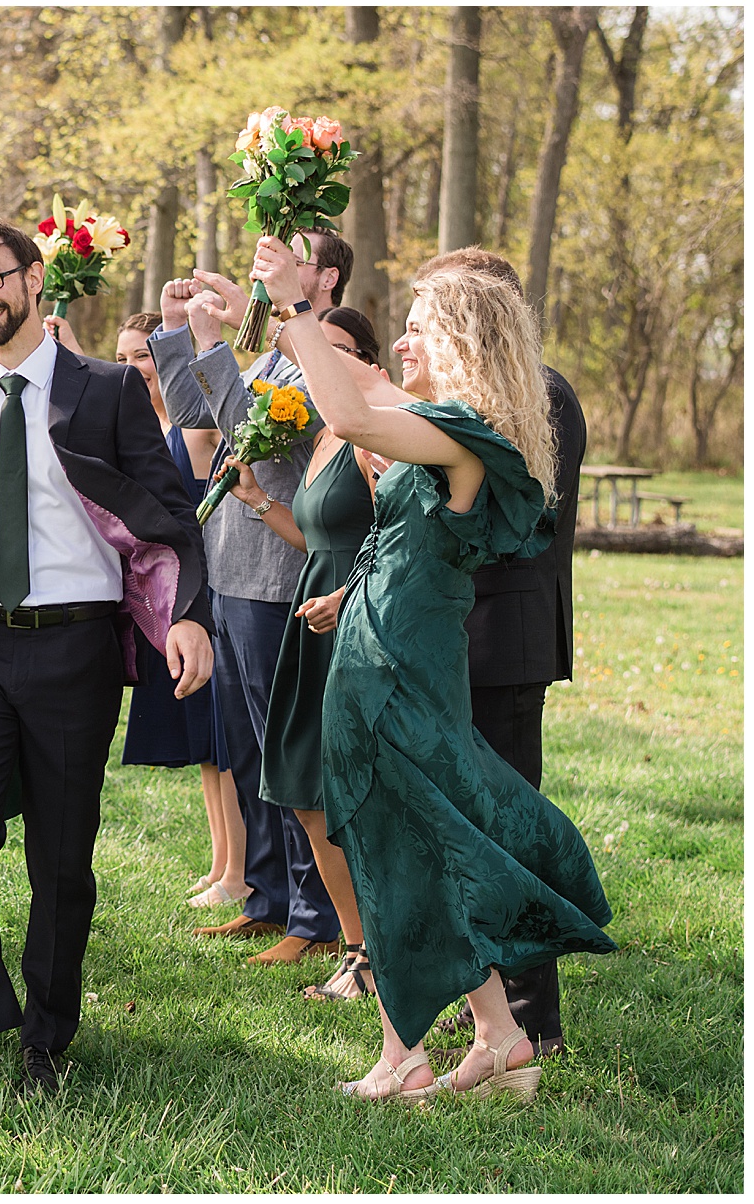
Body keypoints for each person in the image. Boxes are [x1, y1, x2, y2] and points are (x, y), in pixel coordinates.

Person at [248, 234, 614, 1103]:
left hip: (401, 671)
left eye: (416, 327)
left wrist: (298, 304)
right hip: (378, 644)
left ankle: (402, 1056)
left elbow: (350, 412)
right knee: (407, 844)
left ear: (459, 339)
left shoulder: (461, 431)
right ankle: (497, 1036)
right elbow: (408, 523)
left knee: (395, 848)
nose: (401, 343)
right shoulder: (441, 423)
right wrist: (353, 595)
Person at [0, 217, 213, 1105]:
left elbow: (169, 515)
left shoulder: (108, 390)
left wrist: (186, 616)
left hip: (76, 645)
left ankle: (46, 1034)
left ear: (36, 280)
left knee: (63, 859)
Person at [152, 232, 349, 966]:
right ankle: (265, 899)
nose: (263, 267)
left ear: (320, 277)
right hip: (229, 574)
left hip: (276, 580)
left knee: (285, 755)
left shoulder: (321, 354)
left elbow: (250, 434)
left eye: (285, 257)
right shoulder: (267, 355)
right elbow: (192, 417)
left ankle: (314, 916)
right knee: (247, 753)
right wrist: (181, 335)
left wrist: (212, 345)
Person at [415, 249, 588, 1057]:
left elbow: (521, 524)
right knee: (474, 827)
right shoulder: (488, 393)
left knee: (511, 830)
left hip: (508, 639)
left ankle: (534, 1018)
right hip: (470, 637)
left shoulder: (542, 394)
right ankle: (493, 1002)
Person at [214, 306, 387, 1000]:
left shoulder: (377, 432)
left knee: (348, 790)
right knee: (300, 786)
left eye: (334, 348)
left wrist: (348, 596)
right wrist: (257, 500)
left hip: (357, 617)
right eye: (307, 348)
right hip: (308, 611)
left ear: (368, 360)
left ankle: (378, 949)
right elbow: (314, 538)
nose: (316, 359)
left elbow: (395, 538)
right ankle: (354, 946)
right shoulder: (322, 436)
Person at [49, 311, 243, 909]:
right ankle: (223, 862)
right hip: (164, 598)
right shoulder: (147, 426)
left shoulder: (187, 426)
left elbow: (195, 405)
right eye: (125, 357)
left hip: (199, 587)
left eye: (144, 357)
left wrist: (187, 329)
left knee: (221, 742)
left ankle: (240, 869)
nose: (134, 368)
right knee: (204, 749)